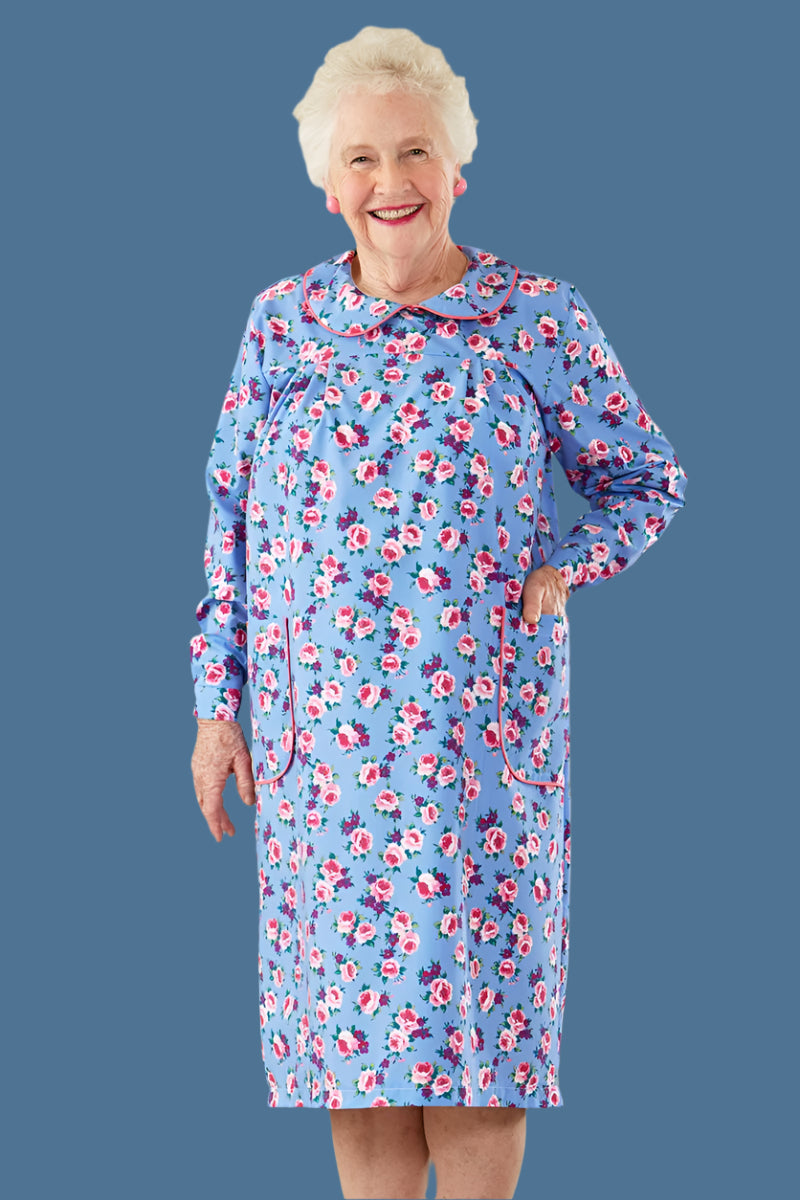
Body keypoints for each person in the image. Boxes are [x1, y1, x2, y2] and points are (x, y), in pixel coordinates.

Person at [190, 26, 687, 1200]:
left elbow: (644, 477)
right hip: (323, 762)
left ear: (456, 167)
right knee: (354, 1062)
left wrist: (567, 565)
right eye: (360, 158)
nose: (390, 181)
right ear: (328, 185)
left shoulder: (535, 317)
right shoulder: (281, 325)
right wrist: (217, 708)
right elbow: (231, 525)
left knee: (476, 1049)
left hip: (478, 749)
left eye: (414, 151)